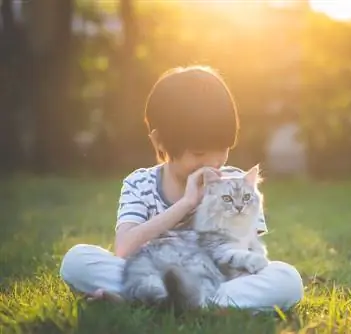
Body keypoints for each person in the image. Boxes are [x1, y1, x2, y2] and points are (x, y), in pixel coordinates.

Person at [59, 65, 304, 312]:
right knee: (77, 260)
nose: (214, 161)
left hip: (215, 279)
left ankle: (156, 302)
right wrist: (185, 204)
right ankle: (201, 306)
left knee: (288, 279)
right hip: (153, 273)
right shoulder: (139, 183)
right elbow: (123, 249)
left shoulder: (237, 185)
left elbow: (244, 258)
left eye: (222, 148)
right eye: (199, 152)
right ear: (160, 141)